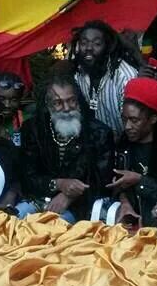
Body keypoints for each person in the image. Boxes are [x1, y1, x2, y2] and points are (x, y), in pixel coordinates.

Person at [17, 74, 114, 222]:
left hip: (80, 206)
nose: (67, 108)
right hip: (39, 198)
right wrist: (58, 184)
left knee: (52, 229)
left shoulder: (99, 133)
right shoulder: (33, 129)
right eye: (58, 103)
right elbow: (27, 176)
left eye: (71, 101)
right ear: (48, 105)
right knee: (13, 218)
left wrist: (69, 196)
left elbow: (102, 182)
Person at [105, 76, 157, 224]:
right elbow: (113, 184)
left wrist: (140, 180)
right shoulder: (121, 145)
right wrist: (125, 203)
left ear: (153, 119)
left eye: (134, 120)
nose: (127, 126)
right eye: (124, 119)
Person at [71, 19, 138, 135]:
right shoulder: (78, 73)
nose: (88, 48)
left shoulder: (125, 78)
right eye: (83, 43)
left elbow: (135, 125)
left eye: (97, 44)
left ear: (108, 47)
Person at [0, 71, 26, 146]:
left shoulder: (28, 122)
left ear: (20, 100)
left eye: (14, 100)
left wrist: (8, 140)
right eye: (1, 99)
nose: (7, 105)